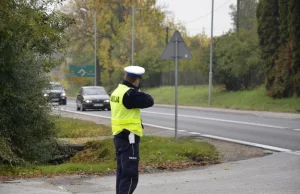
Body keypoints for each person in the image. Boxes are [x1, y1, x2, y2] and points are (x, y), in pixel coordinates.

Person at [110, 66, 154, 194]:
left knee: (122, 173)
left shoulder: (117, 91)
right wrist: (137, 90)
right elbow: (149, 100)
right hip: (130, 137)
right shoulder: (130, 94)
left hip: (118, 136)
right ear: (136, 81)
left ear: (125, 77)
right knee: (130, 174)